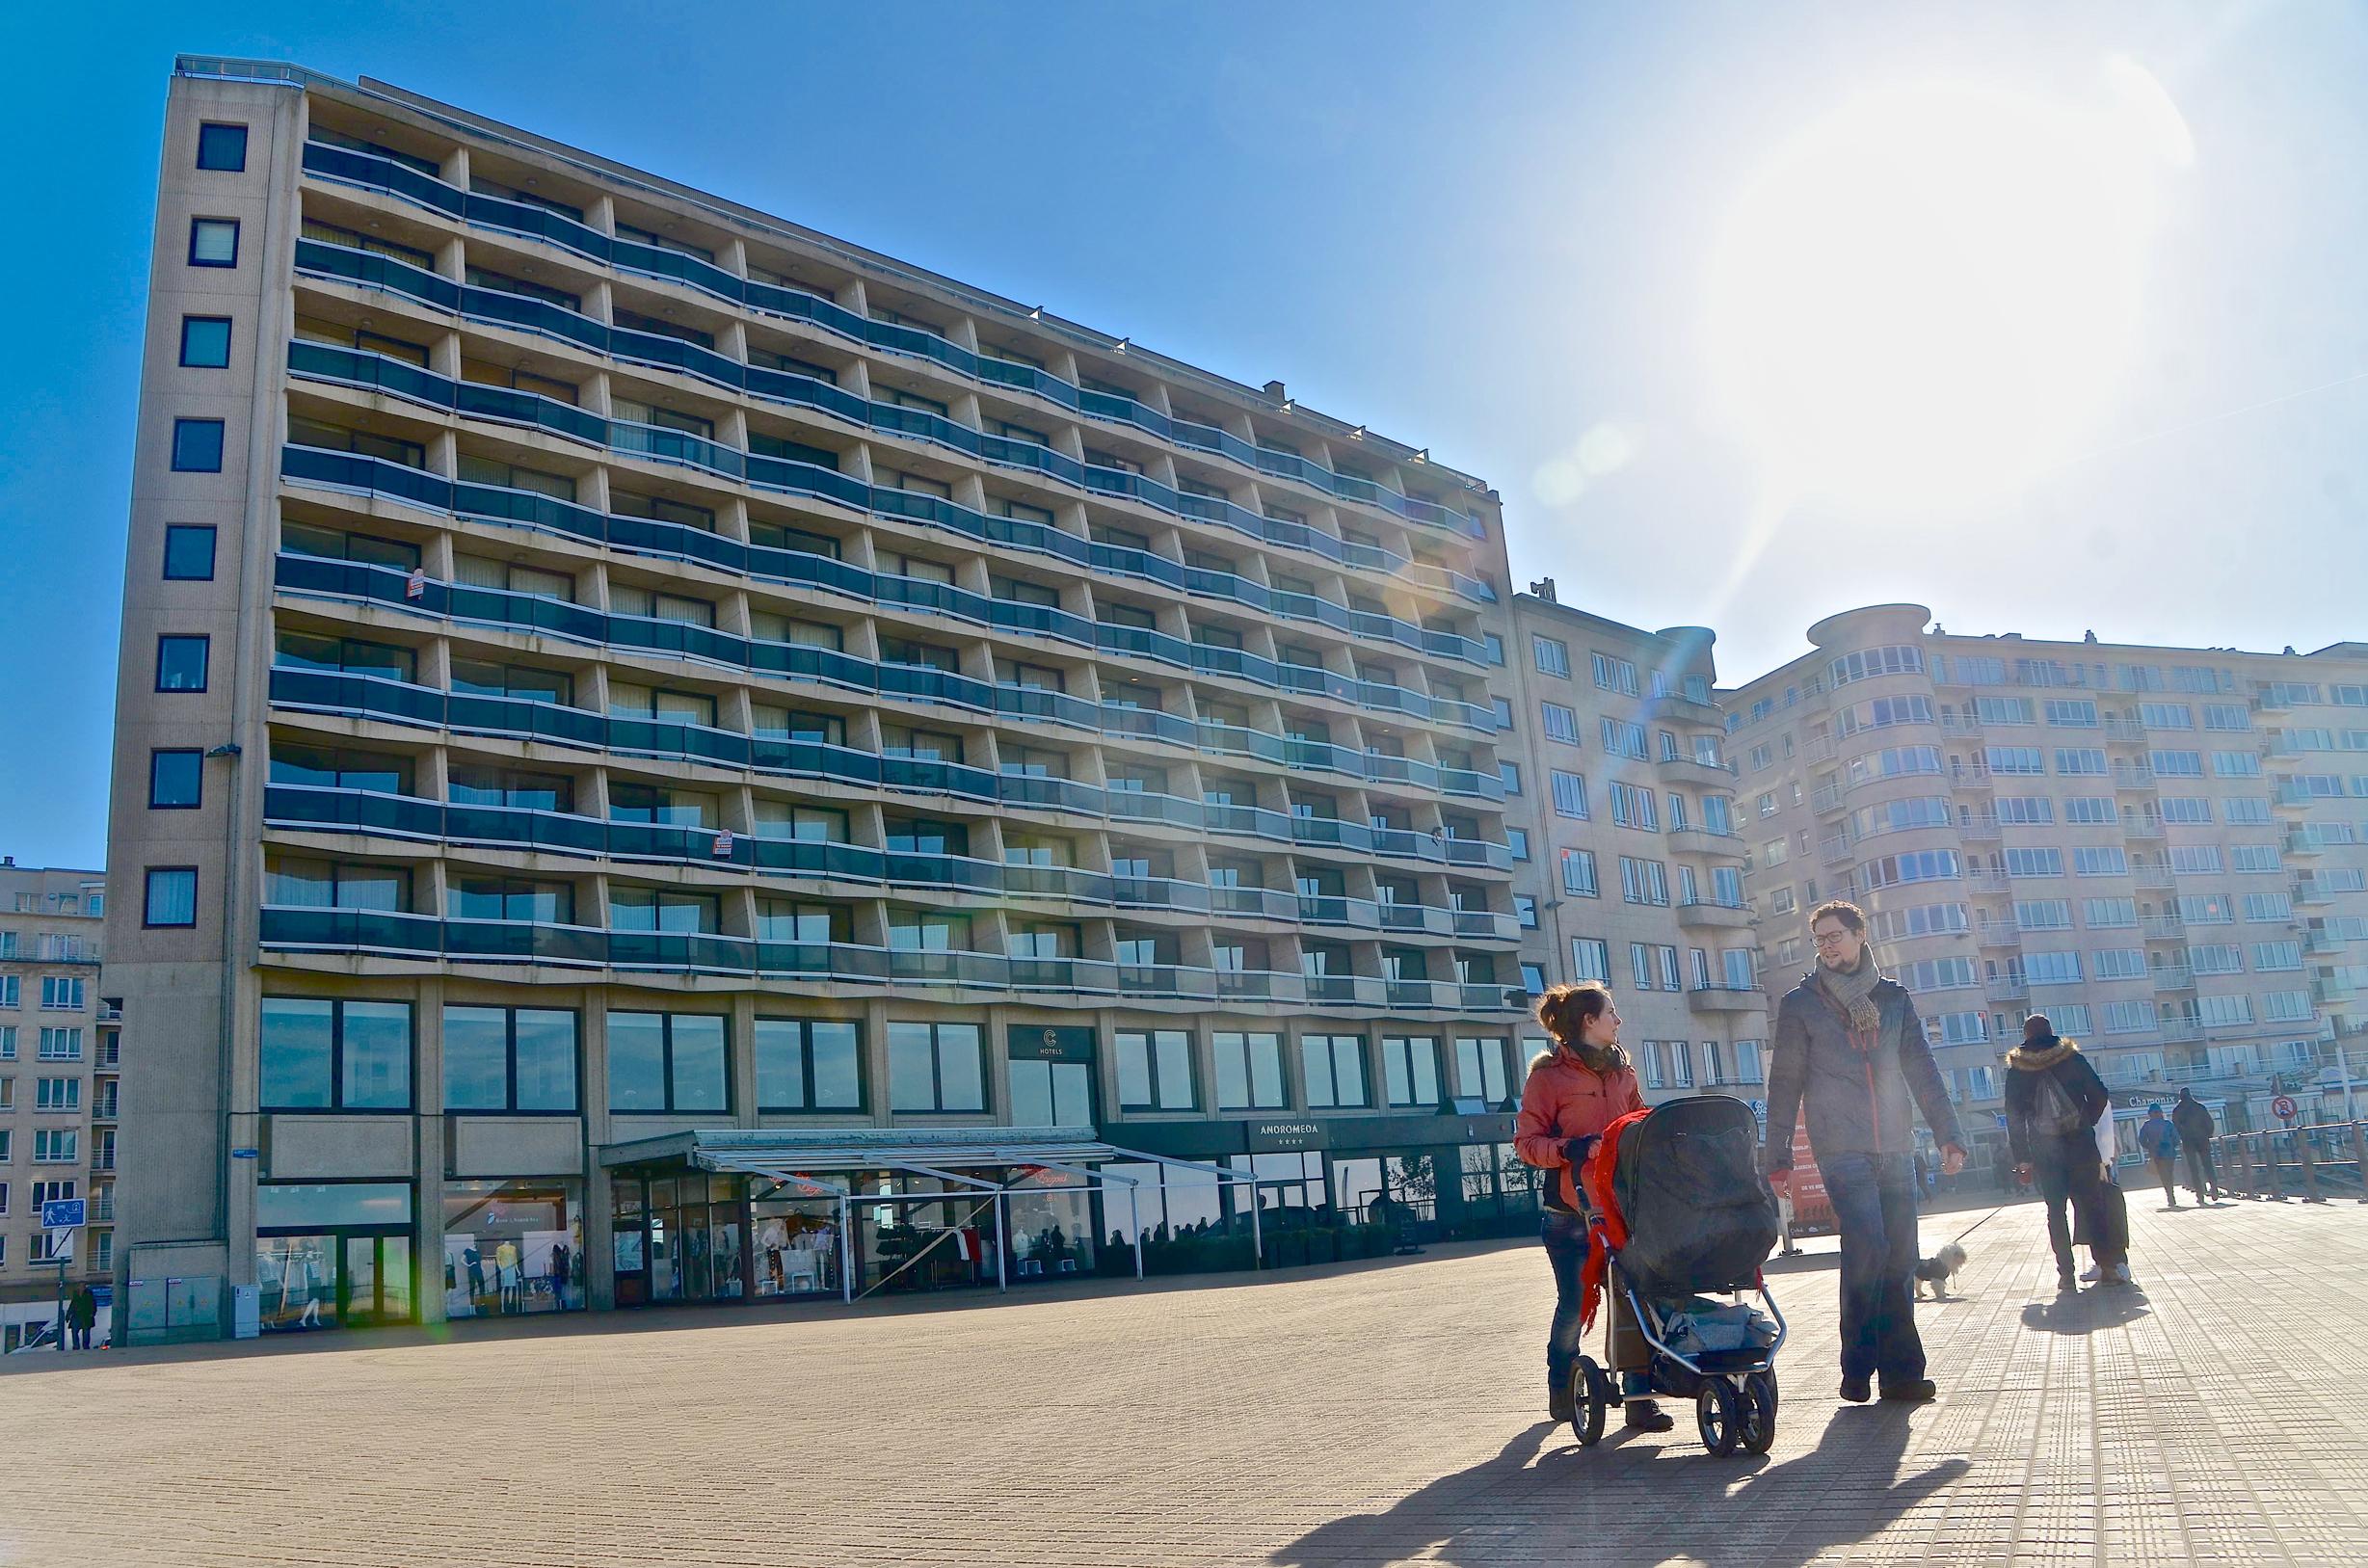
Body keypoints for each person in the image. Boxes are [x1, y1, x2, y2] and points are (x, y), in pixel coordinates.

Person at [1763, 900, 1967, 1405]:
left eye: (1835, 935)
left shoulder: (1893, 998)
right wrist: (1778, 1155)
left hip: (1896, 1145)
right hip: (1841, 1148)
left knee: (1900, 1256)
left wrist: (1948, 1133)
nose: (1827, 946)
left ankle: (1901, 1375)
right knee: (1869, 1246)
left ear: (1860, 934)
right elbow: (1785, 1081)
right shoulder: (1801, 1004)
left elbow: (1921, 1067)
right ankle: (1857, 1366)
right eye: (1820, 939)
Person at [1515, 981, 1667, 1431]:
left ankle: (1639, 1397)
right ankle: (1562, 1385)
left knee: (1633, 1300)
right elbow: (1526, 1144)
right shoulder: (1548, 1078)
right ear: (1588, 1021)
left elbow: (1641, 1120)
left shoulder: (1623, 1073)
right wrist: (1571, 1148)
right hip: (1570, 1214)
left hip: (1622, 1207)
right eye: (1611, 1013)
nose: (1618, 1021)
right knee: (1575, 1304)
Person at [2005, 1015, 2130, 1291]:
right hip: (2081, 1146)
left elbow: (2014, 1116)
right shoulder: (2071, 1059)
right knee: (2093, 1206)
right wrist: (2086, 1121)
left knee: (2056, 1211)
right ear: (2051, 1033)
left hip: (2045, 1151)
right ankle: (2107, 1266)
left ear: (2026, 1036)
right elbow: (2100, 1094)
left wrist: (2023, 1157)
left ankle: (2066, 1274)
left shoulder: (2019, 1069)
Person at [2172, 1088, 2222, 1202]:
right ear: (2190, 1095)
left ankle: (2200, 1194)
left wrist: (2183, 1136)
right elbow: (2209, 1123)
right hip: (2202, 1139)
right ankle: (2214, 1188)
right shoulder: (2200, 1107)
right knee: (2208, 1165)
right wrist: (2208, 1134)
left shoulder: (2177, 1110)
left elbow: (2176, 1127)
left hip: (2188, 1142)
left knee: (2194, 1169)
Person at [2138, 1104, 2182, 1209]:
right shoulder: (2167, 1124)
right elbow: (2176, 1138)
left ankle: (2169, 1195)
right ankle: (2171, 1193)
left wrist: (2149, 1146)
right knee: (2169, 1173)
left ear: (2150, 1114)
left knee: (2163, 1175)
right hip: (2169, 1153)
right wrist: (2171, 1145)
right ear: (2161, 1113)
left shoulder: (2147, 1125)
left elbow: (2142, 1139)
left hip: (2156, 1154)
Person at [66, 1284, 96, 1350]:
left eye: (83, 1286)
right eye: (80, 1286)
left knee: (86, 1332)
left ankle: (85, 1346)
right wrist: (68, 1315)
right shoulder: (76, 1294)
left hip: (86, 1316)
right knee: (74, 1331)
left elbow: (93, 1304)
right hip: (76, 1316)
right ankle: (76, 1346)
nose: (81, 1288)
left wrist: (92, 1313)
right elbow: (72, 1305)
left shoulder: (89, 1294)